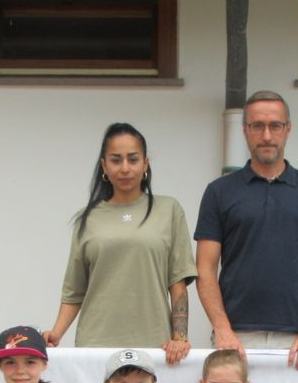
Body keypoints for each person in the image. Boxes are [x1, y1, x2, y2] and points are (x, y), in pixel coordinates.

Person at [194, 91, 298, 371]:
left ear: (288, 128)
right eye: (257, 126)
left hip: (296, 339)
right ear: (245, 130)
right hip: (235, 336)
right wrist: (222, 328)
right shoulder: (219, 192)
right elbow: (205, 269)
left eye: (275, 125)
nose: (267, 135)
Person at [45, 123, 196, 365]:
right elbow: (74, 291)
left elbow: (177, 280)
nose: (125, 168)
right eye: (116, 160)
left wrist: (180, 337)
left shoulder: (168, 209)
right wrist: (56, 333)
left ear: (145, 164)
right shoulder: (87, 218)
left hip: (155, 347)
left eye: (133, 159)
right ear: (104, 166)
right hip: (95, 345)